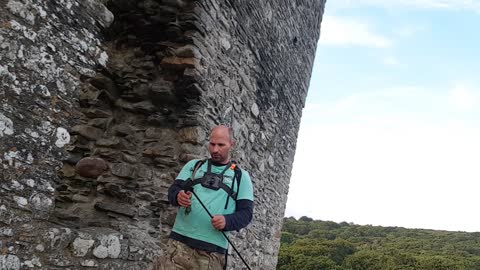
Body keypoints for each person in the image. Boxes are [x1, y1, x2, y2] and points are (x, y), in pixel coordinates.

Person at [155, 125, 254, 270]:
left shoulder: (241, 177)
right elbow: (173, 191)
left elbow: (246, 214)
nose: (215, 150)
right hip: (179, 245)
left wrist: (227, 221)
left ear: (232, 145)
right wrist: (178, 196)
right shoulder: (193, 166)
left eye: (221, 145)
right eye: (212, 144)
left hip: (212, 253)